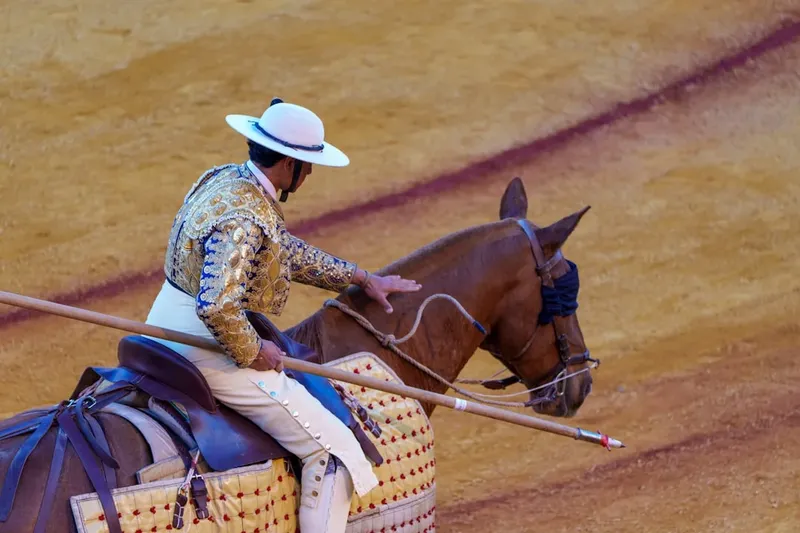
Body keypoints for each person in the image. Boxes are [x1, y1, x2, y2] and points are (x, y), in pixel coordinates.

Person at [144, 98, 421, 532]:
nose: (309, 174)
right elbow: (217, 305)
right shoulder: (248, 216)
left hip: (162, 323)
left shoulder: (225, 179)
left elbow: (280, 251)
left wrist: (357, 276)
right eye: (307, 164)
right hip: (203, 346)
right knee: (332, 453)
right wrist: (254, 351)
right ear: (288, 164)